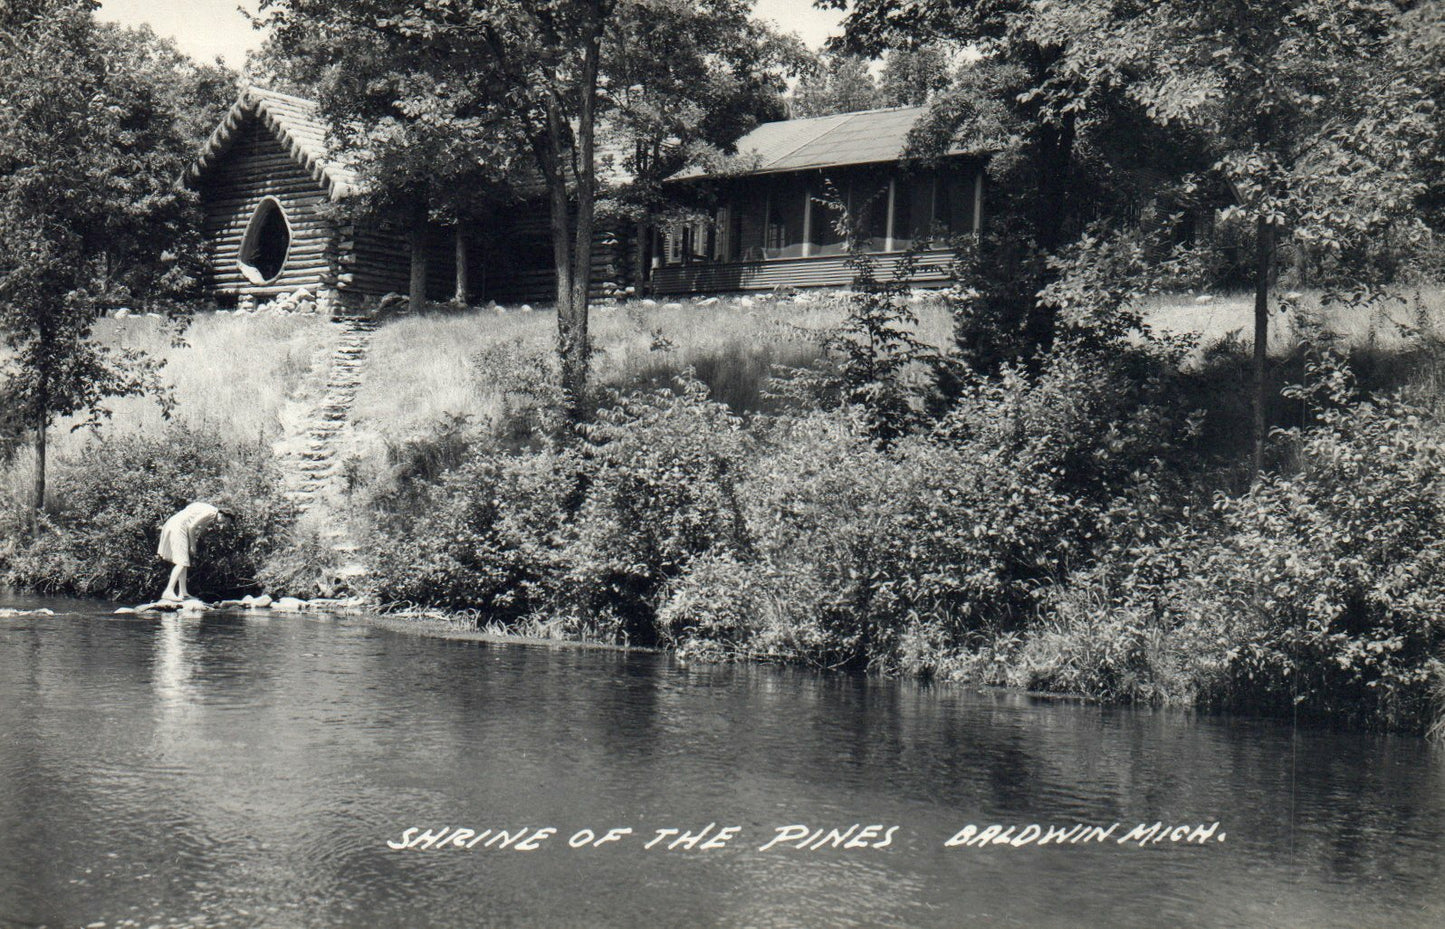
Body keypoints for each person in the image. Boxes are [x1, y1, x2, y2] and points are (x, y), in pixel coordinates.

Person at [157, 501, 233, 602]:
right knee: (181, 562)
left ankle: (183, 593)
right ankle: (169, 591)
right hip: (179, 527)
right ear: (223, 515)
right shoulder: (211, 512)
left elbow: (193, 517)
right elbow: (192, 526)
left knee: (183, 561)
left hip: (175, 524)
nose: (222, 524)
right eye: (225, 521)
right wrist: (193, 546)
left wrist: (192, 541)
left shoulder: (209, 511)